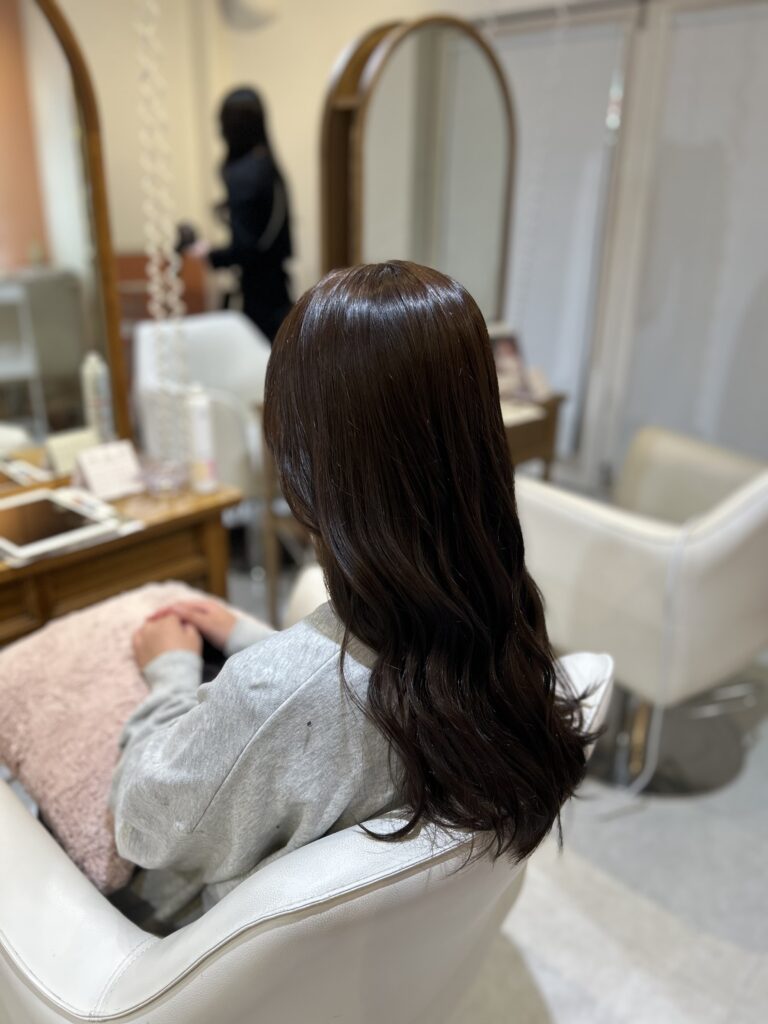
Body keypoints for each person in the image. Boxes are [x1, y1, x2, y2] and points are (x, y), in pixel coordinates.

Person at [110, 261, 594, 924]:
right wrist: (255, 641)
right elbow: (366, 683)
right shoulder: (506, 627)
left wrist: (168, 672)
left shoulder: (268, 696)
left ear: (305, 464)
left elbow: (140, 824)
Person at [188, 87, 293, 342]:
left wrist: (208, 253)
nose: (219, 132)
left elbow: (245, 249)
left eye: (222, 124)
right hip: (278, 290)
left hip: (259, 298)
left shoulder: (243, 174)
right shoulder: (268, 166)